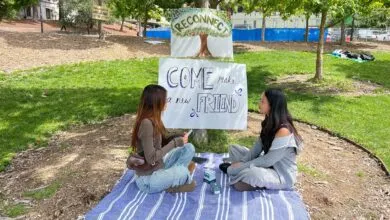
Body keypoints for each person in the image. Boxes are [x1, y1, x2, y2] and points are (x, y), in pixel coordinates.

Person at [220, 88, 303, 191]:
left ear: (272, 106)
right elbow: (257, 148)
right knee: (234, 149)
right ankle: (243, 176)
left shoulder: (283, 130)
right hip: (268, 166)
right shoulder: (268, 121)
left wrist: (237, 168)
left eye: (262, 101)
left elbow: (268, 160)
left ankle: (247, 179)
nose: (259, 103)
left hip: (280, 174)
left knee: (253, 174)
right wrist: (242, 162)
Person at [128, 84, 196, 193]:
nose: (167, 102)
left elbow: (163, 138)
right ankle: (177, 178)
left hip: (159, 167)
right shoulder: (146, 124)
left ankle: (174, 177)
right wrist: (175, 143)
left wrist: (179, 135)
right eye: (165, 99)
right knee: (185, 174)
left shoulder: (154, 119)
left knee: (189, 148)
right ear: (157, 102)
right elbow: (151, 158)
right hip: (148, 180)